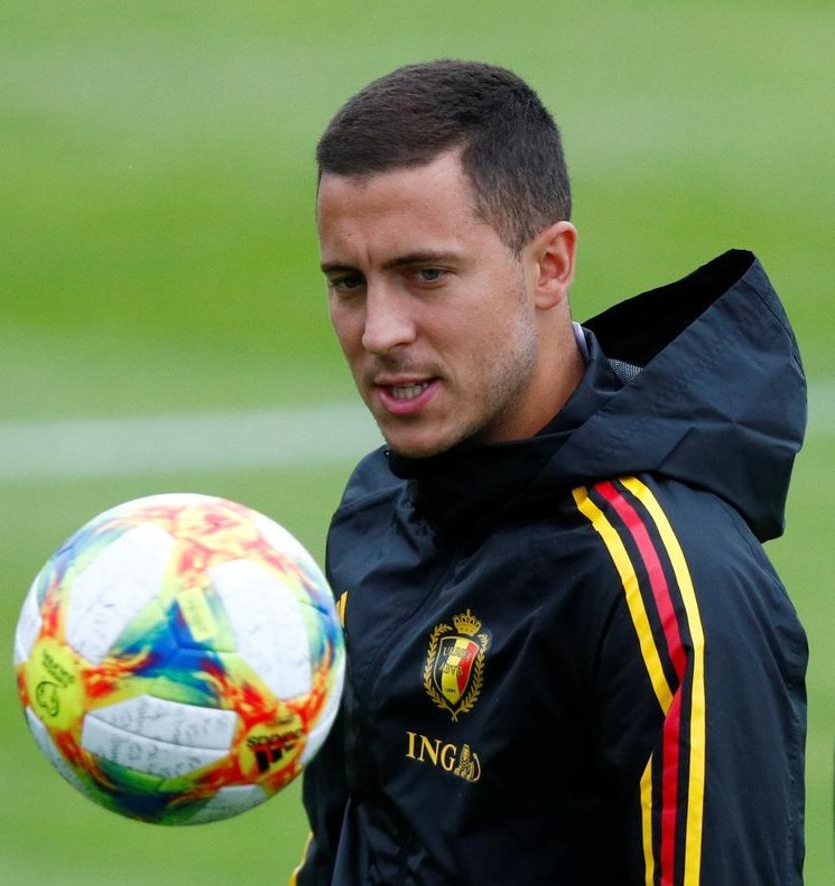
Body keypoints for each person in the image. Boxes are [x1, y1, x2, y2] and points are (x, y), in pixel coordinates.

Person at [293, 60, 807, 885]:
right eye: (349, 284)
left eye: (427, 274)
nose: (381, 330)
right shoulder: (380, 501)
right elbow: (351, 835)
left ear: (549, 267)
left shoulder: (668, 583)